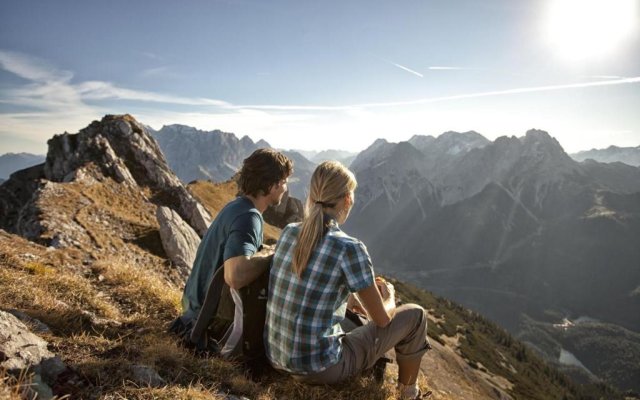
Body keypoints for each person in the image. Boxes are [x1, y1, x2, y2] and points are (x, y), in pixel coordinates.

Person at [265, 161, 430, 400]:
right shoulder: (349, 248)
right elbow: (382, 320)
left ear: (312, 195)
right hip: (317, 368)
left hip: (276, 357)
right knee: (416, 315)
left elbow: (311, 282)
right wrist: (389, 296)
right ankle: (408, 394)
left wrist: (350, 298)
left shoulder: (290, 232)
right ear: (347, 200)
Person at [177, 148, 293, 357]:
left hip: (193, 311)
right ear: (271, 185)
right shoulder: (248, 217)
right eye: (284, 182)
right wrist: (274, 256)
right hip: (208, 323)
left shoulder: (236, 207)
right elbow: (235, 275)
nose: (285, 188)